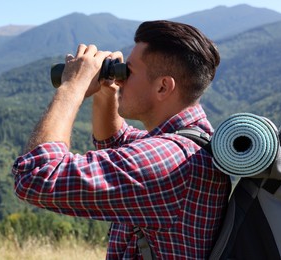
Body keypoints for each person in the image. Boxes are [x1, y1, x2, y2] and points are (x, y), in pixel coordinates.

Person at [12, 20, 231, 259]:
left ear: (163, 87)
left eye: (130, 71)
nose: (122, 78)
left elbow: (37, 177)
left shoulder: (170, 160)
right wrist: (107, 92)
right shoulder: (193, 143)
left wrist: (72, 86)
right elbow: (116, 141)